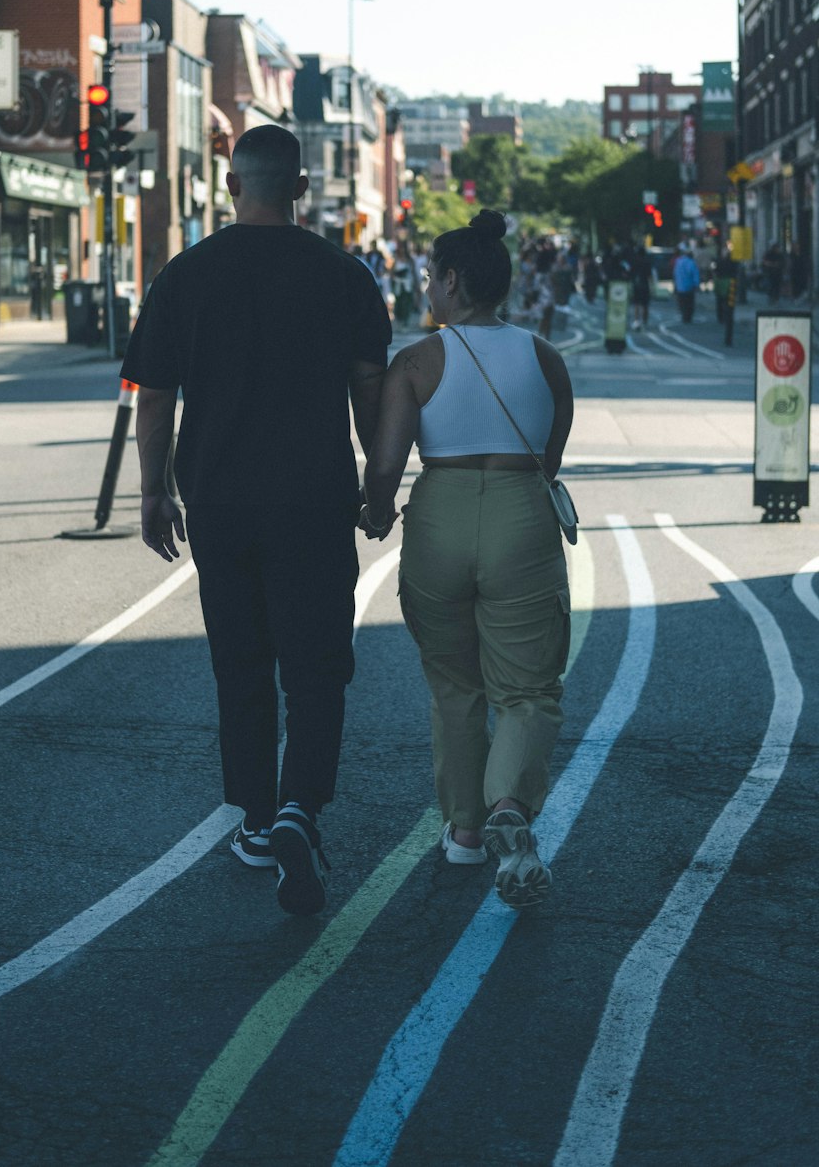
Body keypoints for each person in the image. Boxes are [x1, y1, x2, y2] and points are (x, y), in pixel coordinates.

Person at [120, 124, 391, 917]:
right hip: (313, 498)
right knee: (317, 666)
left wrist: (151, 492)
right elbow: (368, 389)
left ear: (232, 186)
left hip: (219, 499)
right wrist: (378, 485)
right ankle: (303, 808)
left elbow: (156, 394)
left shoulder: (185, 275)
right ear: (301, 189)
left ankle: (258, 820)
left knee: (241, 663)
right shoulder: (344, 276)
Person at [361, 209, 573, 910]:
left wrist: (375, 510)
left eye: (430, 277)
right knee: (526, 686)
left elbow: (386, 469)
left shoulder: (417, 362)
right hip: (519, 513)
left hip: (441, 514)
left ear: (454, 281)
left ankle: (463, 832)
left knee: (455, 685)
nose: (426, 288)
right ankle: (510, 803)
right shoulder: (546, 359)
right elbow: (550, 457)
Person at [672, 244, 700, 322]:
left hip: (680, 286)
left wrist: (675, 284)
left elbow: (675, 274)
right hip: (689, 286)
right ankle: (688, 316)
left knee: (682, 302)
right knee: (689, 303)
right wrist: (696, 284)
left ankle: (684, 316)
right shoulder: (691, 262)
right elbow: (695, 274)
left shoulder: (678, 262)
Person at [630, 247, 652, 331]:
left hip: (636, 285)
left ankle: (636, 320)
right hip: (645, 285)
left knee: (636, 304)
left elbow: (630, 274)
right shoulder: (647, 262)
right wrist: (651, 287)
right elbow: (649, 276)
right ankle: (645, 321)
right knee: (645, 305)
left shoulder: (634, 262)